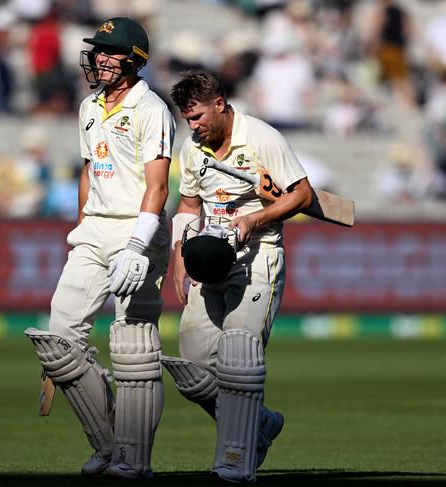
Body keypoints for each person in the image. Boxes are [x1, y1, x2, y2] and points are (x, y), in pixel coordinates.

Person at [25, 17, 175, 479]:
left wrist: (136, 246)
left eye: (110, 52)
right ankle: (110, 444)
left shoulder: (151, 109)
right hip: (94, 231)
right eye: (98, 51)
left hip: (138, 230)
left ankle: (135, 460)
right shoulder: (89, 106)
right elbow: (89, 172)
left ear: (134, 60)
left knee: (133, 348)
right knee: (58, 341)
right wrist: (82, 227)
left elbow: (158, 185)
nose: (100, 58)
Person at [162, 71, 314, 483]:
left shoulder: (262, 137)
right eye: (186, 119)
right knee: (193, 369)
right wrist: (180, 259)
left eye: (196, 116)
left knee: (239, 358)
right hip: (210, 259)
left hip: (259, 256)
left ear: (220, 104)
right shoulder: (191, 148)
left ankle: (234, 461)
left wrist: (256, 217)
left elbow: (303, 194)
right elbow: (188, 203)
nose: (192, 126)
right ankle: (259, 423)